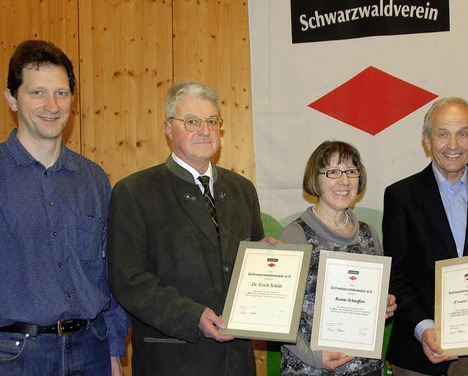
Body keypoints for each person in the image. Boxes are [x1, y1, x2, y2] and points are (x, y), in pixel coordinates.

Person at [108, 80, 274, 375]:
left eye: (212, 121)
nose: (205, 129)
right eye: (192, 121)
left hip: (236, 361)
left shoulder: (242, 190)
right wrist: (193, 316)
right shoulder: (135, 193)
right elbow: (128, 281)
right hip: (172, 358)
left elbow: (253, 271)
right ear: (168, 128)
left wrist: (269, 262)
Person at [0, 40, 130, 375]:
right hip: (15, 356)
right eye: (37, 92)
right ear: (12, 98)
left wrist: (115, 349)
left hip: (92, 350)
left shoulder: (94, 179)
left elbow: (109, 272)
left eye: (61, 93)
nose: (52, 105)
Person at [382, 97, 468, 376]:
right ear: (426, 139)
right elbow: (396, 275)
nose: (453, 145)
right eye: (443, 134)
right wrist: (424, 328)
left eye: (463, 133)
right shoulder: (401, 196)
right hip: (419, 353)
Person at [278, 140, 397, 376]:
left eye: (351, 172)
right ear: (316, 178)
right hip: (311, 369)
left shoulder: (368, 234)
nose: (344, 181)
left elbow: (371, 307)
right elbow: (278, 317)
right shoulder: (295, 234)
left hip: (365, 369)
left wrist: (381, 306)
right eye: (333, 172)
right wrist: (314, 357)